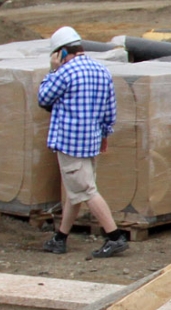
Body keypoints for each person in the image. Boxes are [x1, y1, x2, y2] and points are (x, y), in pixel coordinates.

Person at [36, 26, 129, 257]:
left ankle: (114, 236)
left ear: (61, 53)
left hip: (70, 142)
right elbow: (110, 109)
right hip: (91, 142)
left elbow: (43, 98)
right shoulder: (101, 70)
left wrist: (53, 70)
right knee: (75, 190)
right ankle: (61, 237)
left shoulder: (65, 72)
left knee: (86, 190)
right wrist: (105, 135)